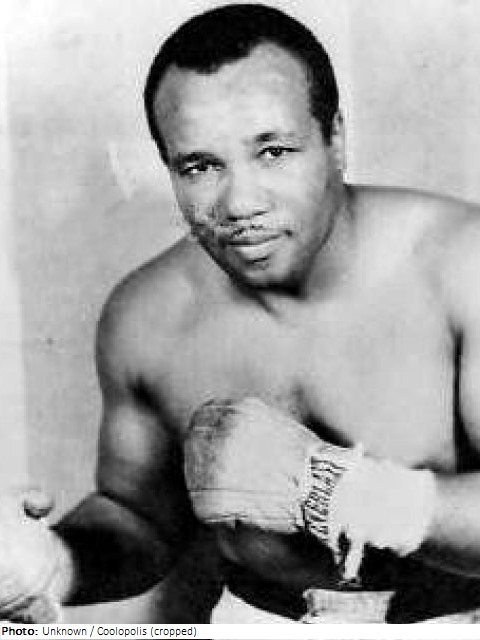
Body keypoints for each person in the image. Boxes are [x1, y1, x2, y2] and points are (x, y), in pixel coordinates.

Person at [4, 2, 480, 624]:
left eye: (274, 152)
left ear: (336, 138)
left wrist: (335, 491)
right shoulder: (145, 315)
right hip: (258, 622)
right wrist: (59, 562)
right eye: (200, 166)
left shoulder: (460, 263)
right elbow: (141, 517)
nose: (241, 203)